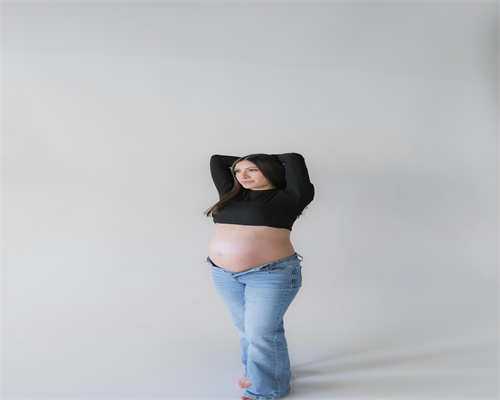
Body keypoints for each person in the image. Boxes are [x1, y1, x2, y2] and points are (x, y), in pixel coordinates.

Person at [204, 152, 315, 400]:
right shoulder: (232, 194)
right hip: (223, 274)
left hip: (270, 274)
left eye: (252, 170)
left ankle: (265, 391)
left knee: (260, 333)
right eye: (238, 171)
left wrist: (265, 159)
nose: (242, 176)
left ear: (270, 170)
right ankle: (262, 375)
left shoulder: (291, 196)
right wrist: (250, 162)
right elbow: (216, 160)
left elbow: (294, 158)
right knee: (249, 330)